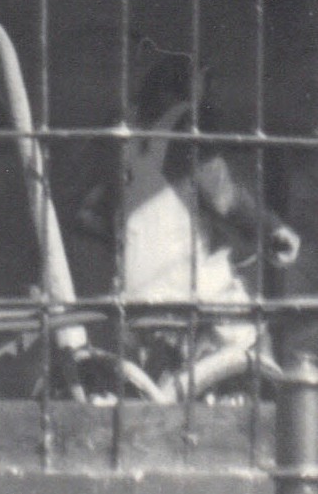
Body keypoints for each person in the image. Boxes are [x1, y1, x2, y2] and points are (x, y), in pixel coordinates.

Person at [117, 54, 299, 351]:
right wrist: (271, 229)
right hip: (182, 283)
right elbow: (223, 198)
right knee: (254, 336)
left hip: (134, 289)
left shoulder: (130, 133)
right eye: (205, 82)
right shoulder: (185, 123)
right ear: (190, 84)